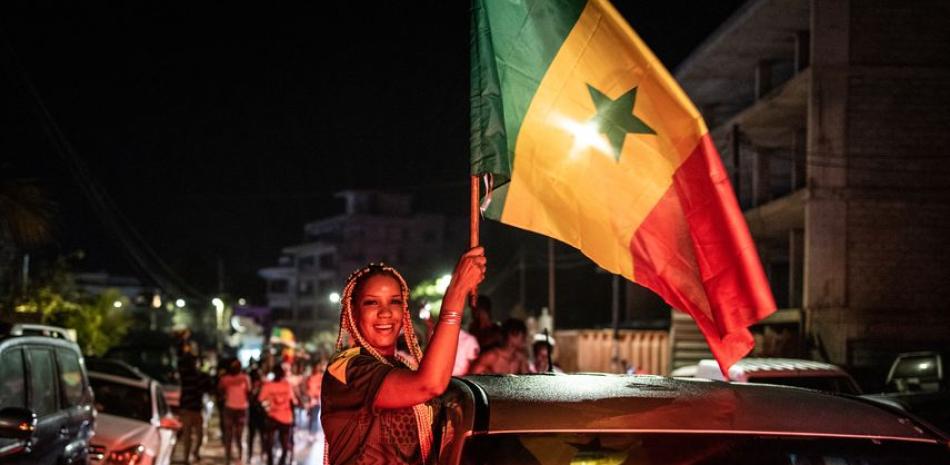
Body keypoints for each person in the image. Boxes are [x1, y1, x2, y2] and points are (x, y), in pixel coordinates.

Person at [321, 247, 486, 465]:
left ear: (404, 310)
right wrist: (455, 294)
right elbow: (429, 384)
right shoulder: (345, 368)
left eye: (395, 302)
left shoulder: (402, 367)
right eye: (371, 302)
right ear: (352, 310)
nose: (385, 312)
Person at [176, 353, 213, 465]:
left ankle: (194, 453)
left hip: (195, 409)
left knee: (199, 435)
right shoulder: (186, 376)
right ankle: (186, 458)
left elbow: (209, 388)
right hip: (187, 409)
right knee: (189, 436)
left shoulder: (199, 376)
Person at [258, 365, 298, 465]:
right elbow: (292, 401)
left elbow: (260, 401)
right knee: (284, 445)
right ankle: (281, 462)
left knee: (270, 444)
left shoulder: (268, 386)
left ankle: (271, 461)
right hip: (284, 418)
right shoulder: (286, 385)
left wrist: (267, 410)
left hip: (273, 417)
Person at [218, 359, 250, 464]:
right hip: (230, 409)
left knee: (239, 435)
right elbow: (220, 391)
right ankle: (228, 458)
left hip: (240, 409)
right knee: (229, 435)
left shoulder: (245, 378)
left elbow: (249, 392)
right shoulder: (225, 379)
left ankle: (240, 457)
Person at [246, 367, 267, 463]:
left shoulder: (263, 385)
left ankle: (262, 454)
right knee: (252, 436)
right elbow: (248, 399)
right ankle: (250, 455)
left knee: (261, 435)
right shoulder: (250, 387)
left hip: (261, 414)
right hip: (253, 414)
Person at [305, 358, 326, 439]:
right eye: (316, 367)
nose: (317, 368)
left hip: (317, 400)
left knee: (314, 416)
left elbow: (322, 388)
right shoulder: (309, 377)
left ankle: (313, 433)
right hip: (309, 400)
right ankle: (310, 431)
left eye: (318, 367)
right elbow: (307, 387)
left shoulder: (321, 377)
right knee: (310, 417)